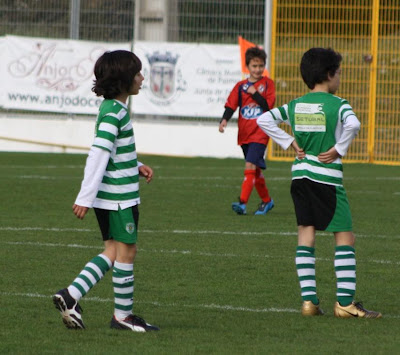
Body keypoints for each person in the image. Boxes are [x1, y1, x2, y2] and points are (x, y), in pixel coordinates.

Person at [257, 47, 381, 318]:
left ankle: (309, 303)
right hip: (327, 179)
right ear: (328, 74)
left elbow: (264, 119)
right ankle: (346, 304)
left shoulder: (296, 105)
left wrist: (289, 142)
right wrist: (339, 149)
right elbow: (354, 124)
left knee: (306, 234)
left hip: (300, 176)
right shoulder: (339, 103)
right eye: (339, 73)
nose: (340, 78)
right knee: (345, 236)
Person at [53, 50, 160, 332]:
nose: (141, 78)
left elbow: (112, 151)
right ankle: (122, 317)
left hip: (111, 197)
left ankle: (70, 295)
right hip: (118, 199)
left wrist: (135, 164)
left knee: (112, 251)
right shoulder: (114, 113)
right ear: (124, 79)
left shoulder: (112, 109)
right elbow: (98, 154)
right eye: (137, 73)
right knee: (127, 252)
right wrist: (84, 197)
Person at [219, 46, 275, 215]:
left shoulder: (268, 84)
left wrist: (255, 93)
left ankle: (242, 203)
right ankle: (267, 201)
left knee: (249, 165)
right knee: (255, 170)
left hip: (260, 133)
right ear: (247, 67)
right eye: (254, 66)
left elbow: (268, 106)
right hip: (245, 135)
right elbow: (231, 104)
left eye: (261, 66)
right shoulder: (240, 86)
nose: (258, 69)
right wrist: (224, 120)